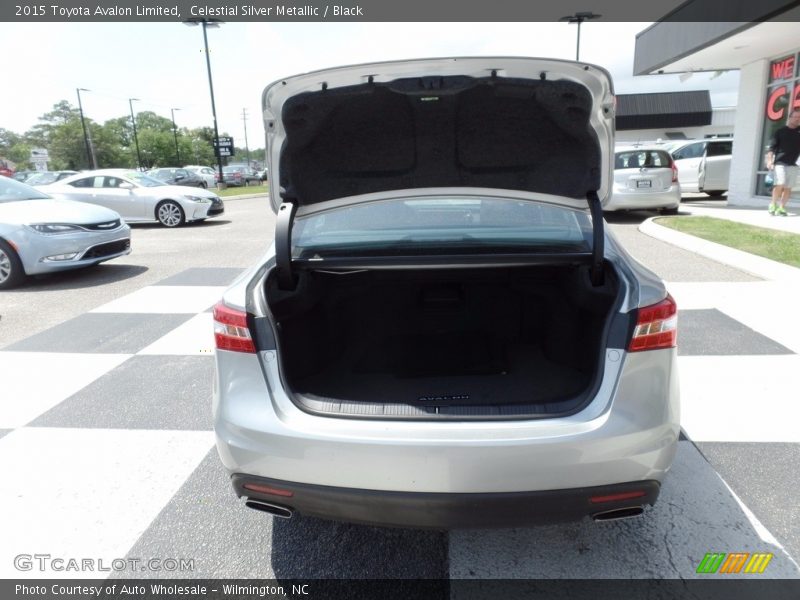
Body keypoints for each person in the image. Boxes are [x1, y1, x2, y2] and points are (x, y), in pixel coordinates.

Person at [766, 108, 800, 216]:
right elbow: (771, 148)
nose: (797, 119)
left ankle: (781, 208)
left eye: (799, 117)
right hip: (780, 163)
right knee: (780, 183)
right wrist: (770, 161)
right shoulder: (780, 132)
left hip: (793, 164)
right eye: (795, 117)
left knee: (788, 187)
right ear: (790, 118)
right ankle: (773, 204)